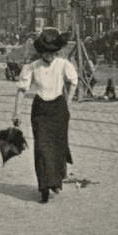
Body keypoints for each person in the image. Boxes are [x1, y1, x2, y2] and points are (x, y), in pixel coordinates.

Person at [12, 28, 78, 204]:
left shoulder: (63, 64)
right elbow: (21, 90)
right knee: (41, 148)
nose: (50, 56)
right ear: (41, 52)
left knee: (57, 146)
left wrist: (68, 102)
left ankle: (56, 181)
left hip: (58, 108)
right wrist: (16, 112)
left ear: (56, 52)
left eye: (53, 52)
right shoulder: (32, 67)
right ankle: (44, 187)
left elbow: (74, 82)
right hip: (40, 109)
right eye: (46, 52)